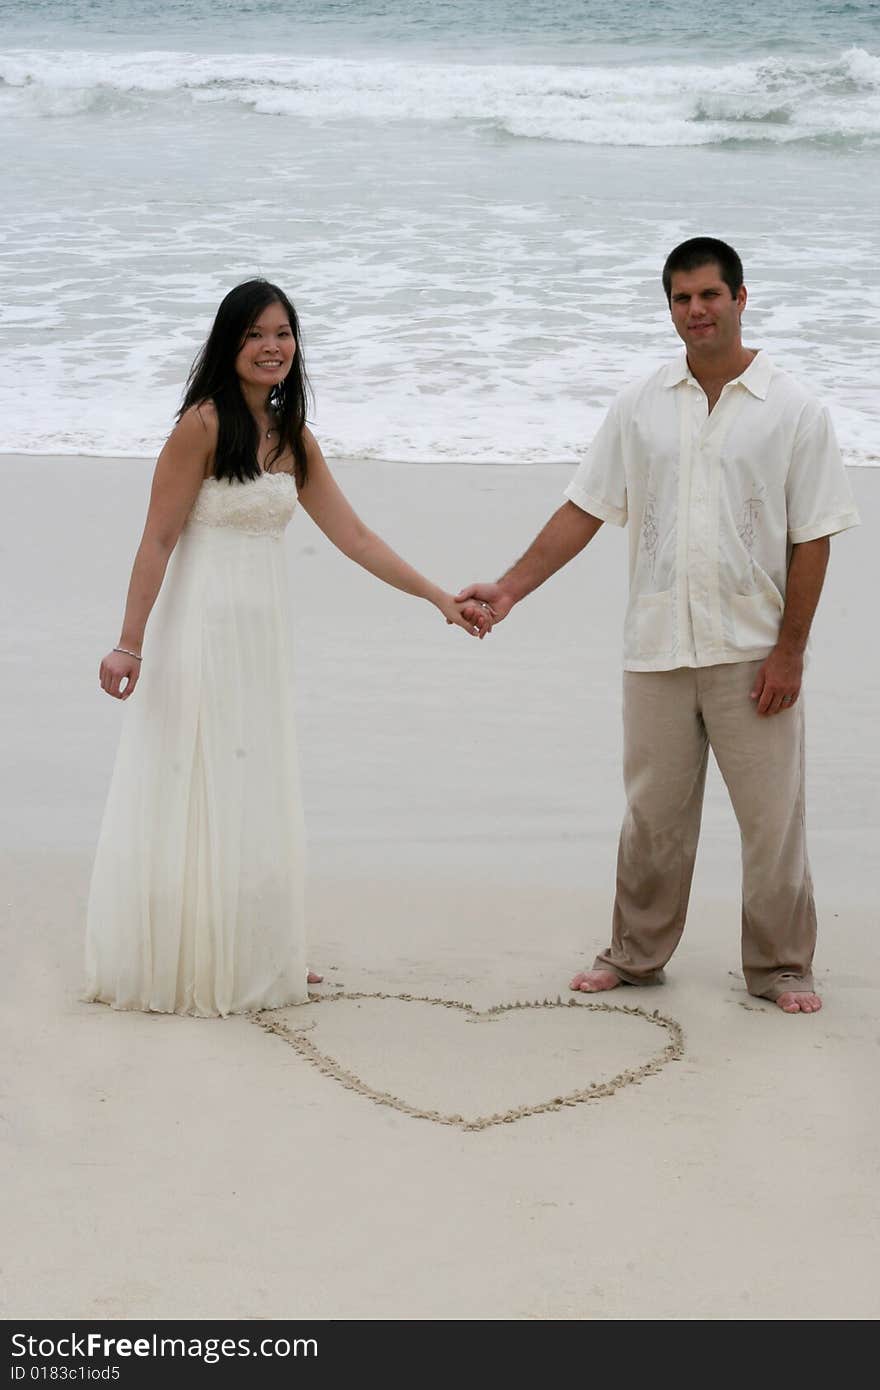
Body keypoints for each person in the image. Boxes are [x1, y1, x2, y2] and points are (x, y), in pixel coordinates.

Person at [458, 238, 860, 1015]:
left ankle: (780, 967)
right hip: (656, 647)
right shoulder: (640, 404)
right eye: (680, 298)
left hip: (753, 653)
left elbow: (813, 537)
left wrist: (791, 654)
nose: (695, 311)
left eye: (709, 295)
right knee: (653, 817)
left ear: (741, 299)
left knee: (771, 822)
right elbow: (585, 507)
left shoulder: (796, 411)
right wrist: (509, 589)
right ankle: (637, 955)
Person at [85, 279, 487, 1018]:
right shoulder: (201, 427)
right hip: (202, 625)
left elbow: (356, 538)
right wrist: (128, 646)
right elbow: (158, 539)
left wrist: (439, 598)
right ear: (229, 345)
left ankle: (257, 948)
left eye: (284, 333)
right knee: (198, 775)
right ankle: (195, 955)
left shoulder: (294, 435)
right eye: (255, 335)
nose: (272, 348)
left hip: (260, 632)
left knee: (253, 777)